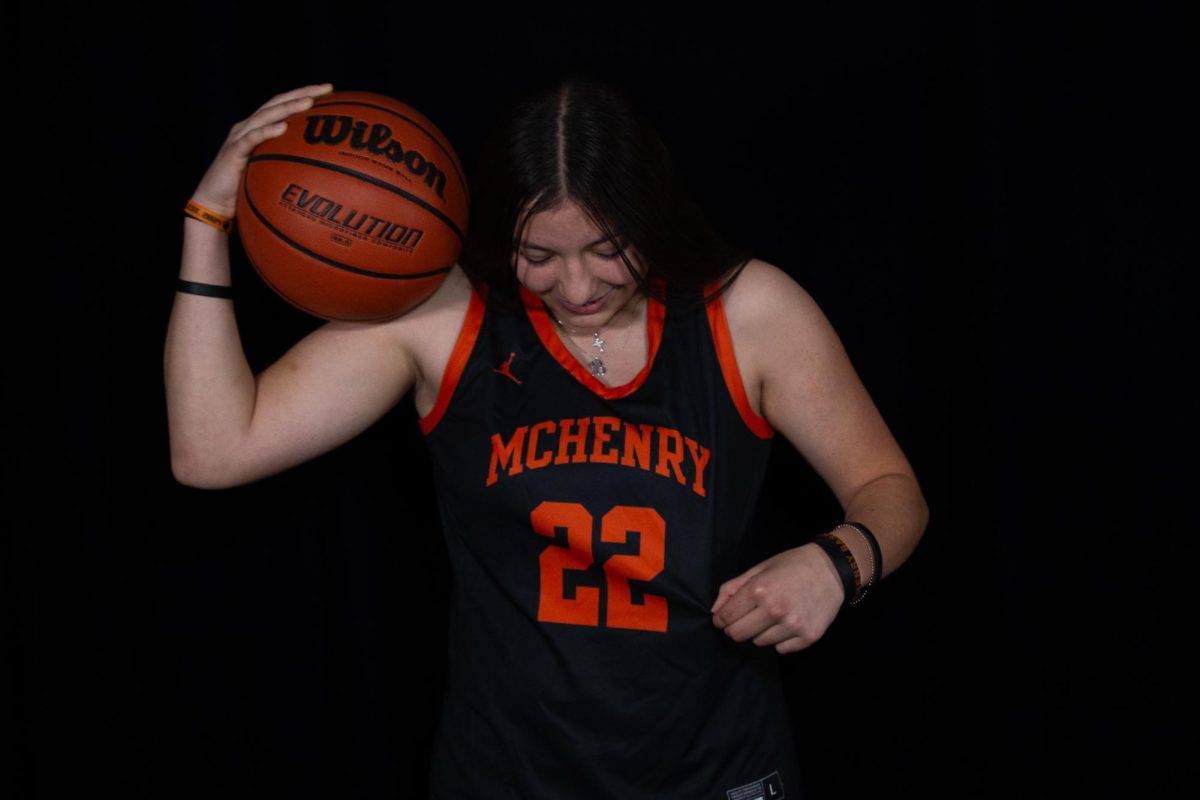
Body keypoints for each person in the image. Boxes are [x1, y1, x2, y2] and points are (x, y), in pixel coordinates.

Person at [166, 78, 929, 799]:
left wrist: (837, 561)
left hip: (713, 764)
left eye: (607, 249)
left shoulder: (747, 311)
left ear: (652, 215)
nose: (575, 287)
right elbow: (213, 450)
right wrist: (206, 222)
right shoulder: (446, 318)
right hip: (508, 773)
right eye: (538, 256)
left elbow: (893, 493)